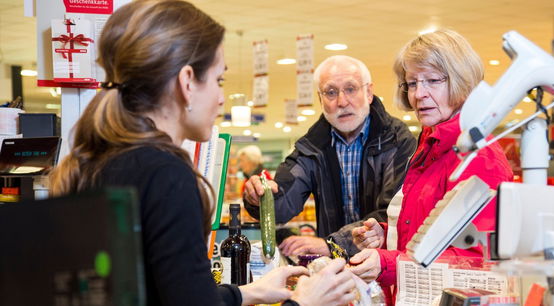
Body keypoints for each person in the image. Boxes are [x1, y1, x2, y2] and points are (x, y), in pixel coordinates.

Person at [48, 1, 356, 305]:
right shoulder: (167, 175)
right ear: (186, 83)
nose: (222, 98)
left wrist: (249, 292)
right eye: (218, 79)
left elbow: (170, 292)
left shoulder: (96, 160)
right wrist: (304, 302)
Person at [346, 29, 513, 304]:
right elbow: (431, 234)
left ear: (461, 81)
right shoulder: (431, 145)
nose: (418, 94)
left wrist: (387, 264)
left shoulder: (479, 159)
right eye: (412, 83)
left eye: (432, 81)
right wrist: (386, 236)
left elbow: (477, 263)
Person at [243, 55, 417, 257]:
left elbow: (392, 213)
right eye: (331, 92)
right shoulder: (312, 146)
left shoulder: (397, 141)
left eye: (351, 89)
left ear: (369, 92)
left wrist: (333, 245)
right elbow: (281, 204)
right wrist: (259, 197)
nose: (342, 102)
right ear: (320, 99)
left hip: (386, 268)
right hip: (334, 270)